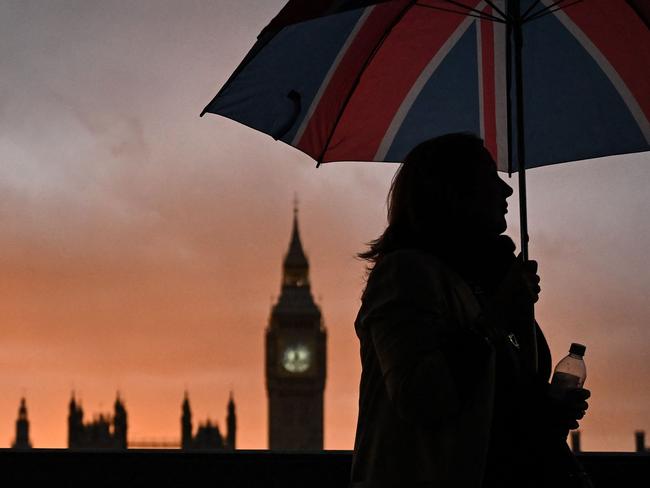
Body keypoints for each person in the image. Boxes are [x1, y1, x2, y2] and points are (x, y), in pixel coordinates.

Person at [350, 133, 591, 488]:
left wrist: (549, 411)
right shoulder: (405, 274)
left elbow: (507, 403)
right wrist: (497, 315)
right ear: (454, 192)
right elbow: (421, 395)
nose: (507, 191)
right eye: (490, 178)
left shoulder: (492, 281)